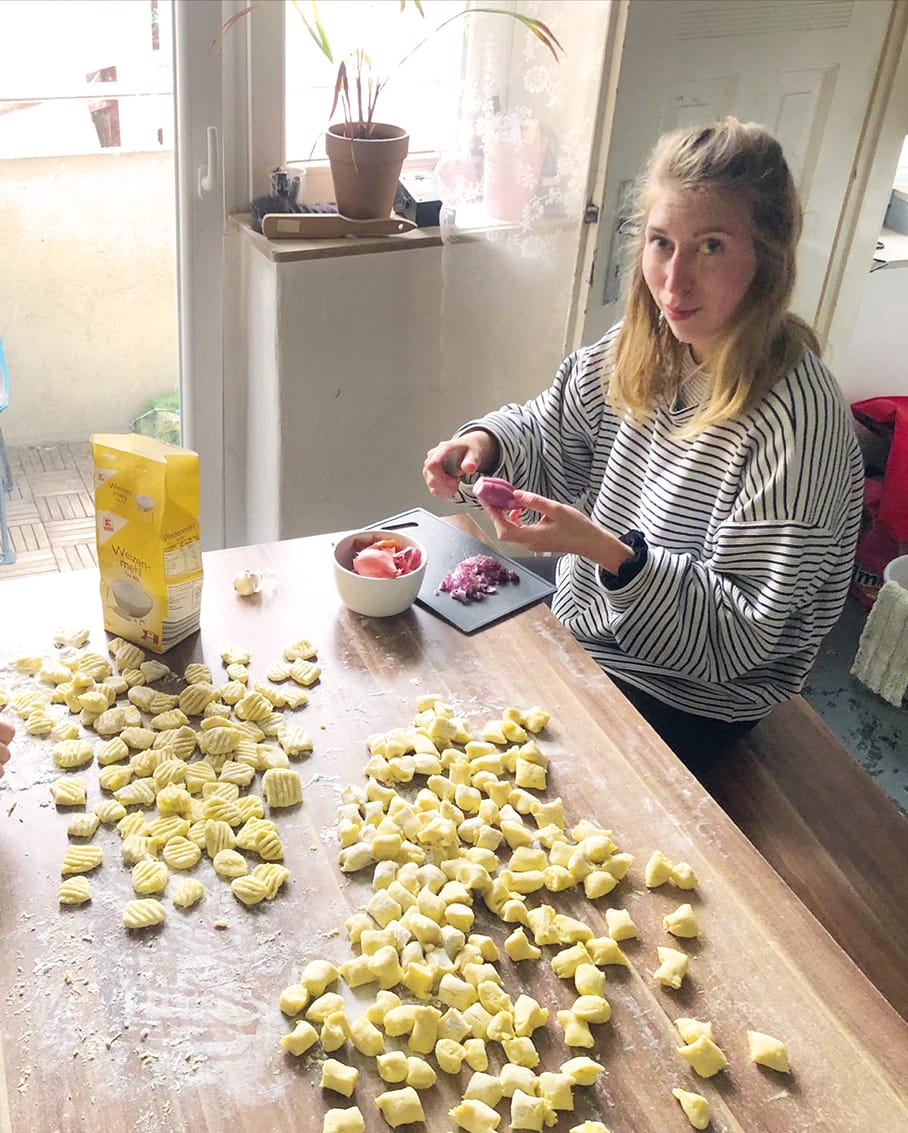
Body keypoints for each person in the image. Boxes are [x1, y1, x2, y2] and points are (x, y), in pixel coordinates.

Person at [423, 117, 864, 768]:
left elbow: (738, 637)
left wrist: (606, 552)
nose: (675, 282)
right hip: (590, 629)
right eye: (662, 244)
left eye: (711, 247)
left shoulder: (798, 424)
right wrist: (487, 444)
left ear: (768, 260)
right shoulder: (648, 345)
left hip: (693, 699)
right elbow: (553, 429)